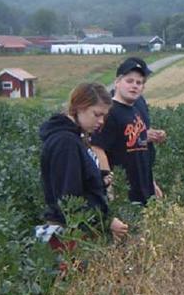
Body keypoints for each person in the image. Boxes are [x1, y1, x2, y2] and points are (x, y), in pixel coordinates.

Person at [38, 82, 128, 248]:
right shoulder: (65, 142)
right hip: (69, 236)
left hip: (80, 231)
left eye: (104, 116)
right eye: (97, 114)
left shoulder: (77, 138)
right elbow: (69, 201)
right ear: (79, 108)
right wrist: (106, 221)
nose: (101, 121)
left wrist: (100, 180)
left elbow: (79, 181)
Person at [91, 57, 165, 205]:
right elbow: (97, 147)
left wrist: (152, 182)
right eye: (129, 81)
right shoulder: (110, 112)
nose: (134, 86)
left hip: (144, 188)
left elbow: (141, 149)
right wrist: (108, 182)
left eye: (139, 83)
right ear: (117, 82)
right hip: (124, 190)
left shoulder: (137, 109)